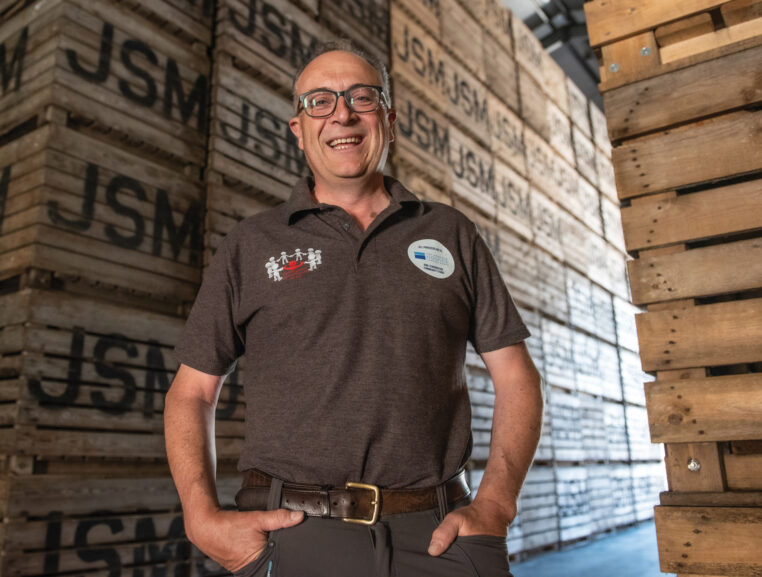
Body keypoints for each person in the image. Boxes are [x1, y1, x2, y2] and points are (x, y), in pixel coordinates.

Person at [165, 41, 543, 577]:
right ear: (298, 129)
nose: (341, 113)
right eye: (319, 101)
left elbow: (516, 377)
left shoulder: (450, 233)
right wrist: (200, 517)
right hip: (291, 537)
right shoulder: (252, 244)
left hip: (438, 536)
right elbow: (192, 391)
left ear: (387, 118)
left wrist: (497, 504)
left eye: (360, 98)